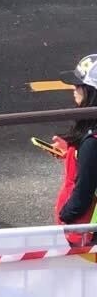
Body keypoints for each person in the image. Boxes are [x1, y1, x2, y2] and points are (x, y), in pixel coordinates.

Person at [51, 54, 97, 245]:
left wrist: (66, 216)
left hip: (83, 233)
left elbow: (83, 192)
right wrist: (70, 152)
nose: (74, 88)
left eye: (79, 85)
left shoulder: (92, 143)